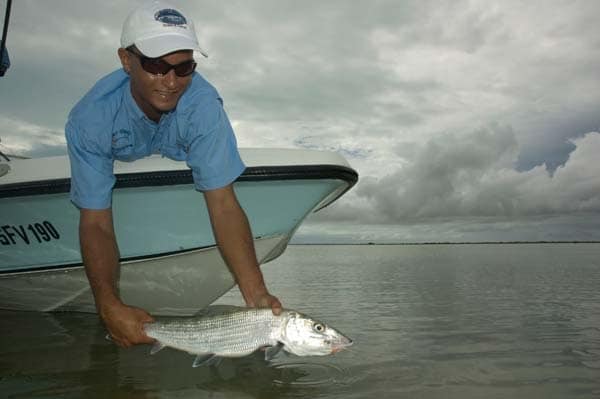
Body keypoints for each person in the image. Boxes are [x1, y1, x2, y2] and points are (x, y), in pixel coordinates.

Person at [65, 1, 282, 348]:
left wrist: (256, 295)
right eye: (155, 65)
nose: (170, 82)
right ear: (125, 60)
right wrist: (107, 304)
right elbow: (96, 223)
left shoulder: (204, 105)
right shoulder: (89, 119)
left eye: (184, 68)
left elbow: (223, 205)